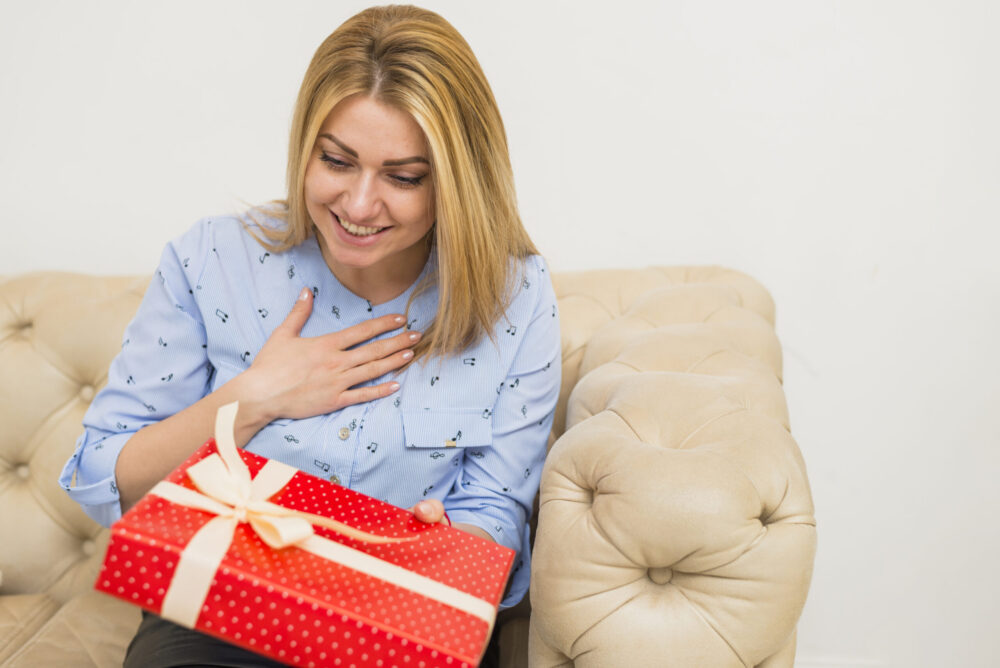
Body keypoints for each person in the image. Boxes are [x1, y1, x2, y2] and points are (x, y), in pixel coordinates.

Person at [58, 5, 560, 666]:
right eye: (337, 161)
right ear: (305, 146)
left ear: (457, 181)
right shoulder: (211, 260)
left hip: (406, 616)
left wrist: (451, 542)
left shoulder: (515, 295)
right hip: (220, 616)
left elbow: (495, 509)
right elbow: (102, 476)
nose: (357, 205)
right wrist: (254, 397)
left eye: (404, 177)